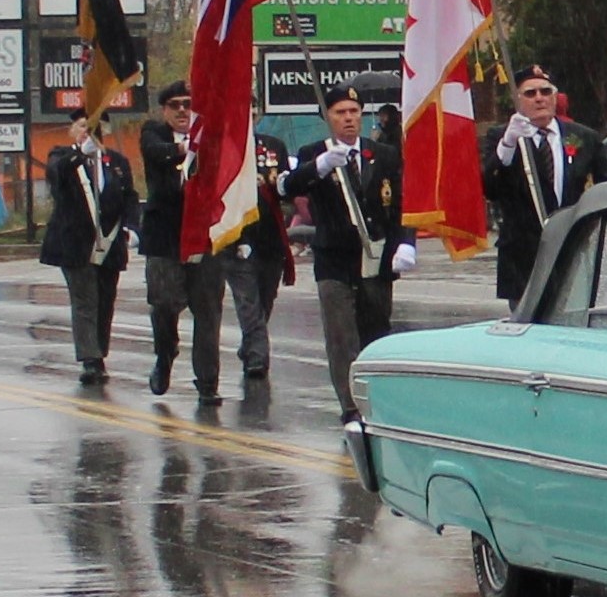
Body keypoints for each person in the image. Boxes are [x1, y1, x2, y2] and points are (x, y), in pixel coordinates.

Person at [278, 85, 414, 421]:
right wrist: (320, 166)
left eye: (353, 111)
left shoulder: (382, 154)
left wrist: (406, 242)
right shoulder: (315, 152)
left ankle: (378, 399)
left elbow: (400, 203)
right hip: (334, 259)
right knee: (341, 337)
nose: (348, 118)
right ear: (328, 117)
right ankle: (351, 406)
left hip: (375, 256)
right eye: (340, 113)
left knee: (376, 332)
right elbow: (287, 187)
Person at [483, 64, 607, 307]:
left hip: (572, 249)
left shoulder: (583, 137)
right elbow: (490, 187)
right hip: (523, 256)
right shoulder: (502, 137)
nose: (539, 98)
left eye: (545, 91)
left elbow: (606, 184)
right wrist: (508, 145)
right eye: (530, 93)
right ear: (518, 100)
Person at [138, 81, 225, 404]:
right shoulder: (154, 133)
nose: (182, 110)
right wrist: (186, 148)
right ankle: (165, 354)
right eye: (174, 105)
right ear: (164, 110)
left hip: (204, 238)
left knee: (208, 312)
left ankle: (207, 382)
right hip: (165, 240)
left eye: (188, 104)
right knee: (163, 306)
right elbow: (154, 152)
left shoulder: (211, 139)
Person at [39, 110, 135, 385]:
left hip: (110, 243)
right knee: (85, 301)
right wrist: (80, 153)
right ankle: (90, 359)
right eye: (83, 126)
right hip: (75, 245)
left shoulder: (115, 162)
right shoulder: (61, 156)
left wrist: (131, 228)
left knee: (105, 302)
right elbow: (57, 178)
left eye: (94, 127)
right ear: (72, 130)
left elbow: (128, 196)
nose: (88, 131)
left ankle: (99, 352)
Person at [221, 117, 293, 384]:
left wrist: (286, 216)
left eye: (250, 108)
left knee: (265, 299)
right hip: (237, 237)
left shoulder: (274, 146)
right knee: (247, 301)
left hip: (270, 237)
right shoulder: (223, 148)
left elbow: (285, 189)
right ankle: (257, 358)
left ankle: (251, 343)